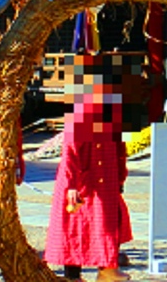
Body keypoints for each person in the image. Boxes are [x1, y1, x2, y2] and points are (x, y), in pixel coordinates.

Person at [45, 62, 133, 282]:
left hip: (106, 182)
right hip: (84, 183)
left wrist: (120, 176)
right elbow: (70, 154)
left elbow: (120, 150)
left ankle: (107, 269)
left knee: (109, 224)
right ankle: (73, 276)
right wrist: (71, 184)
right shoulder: (79, 118)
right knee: (74, 230)